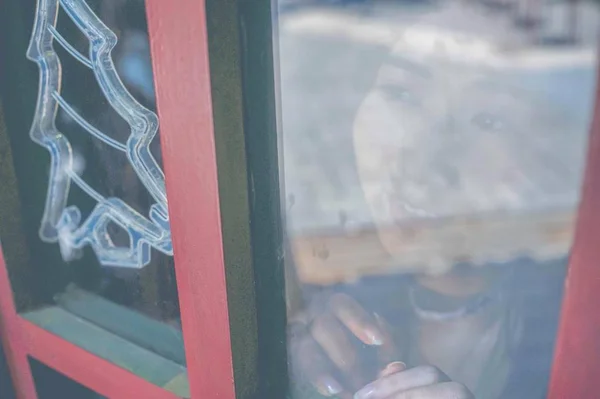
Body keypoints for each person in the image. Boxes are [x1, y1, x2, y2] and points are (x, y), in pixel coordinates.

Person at [285, 5, 585, 398]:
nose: (421, 163)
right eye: (402, 93)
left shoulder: (580, 334)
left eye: (489, 119)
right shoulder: (323, 305)